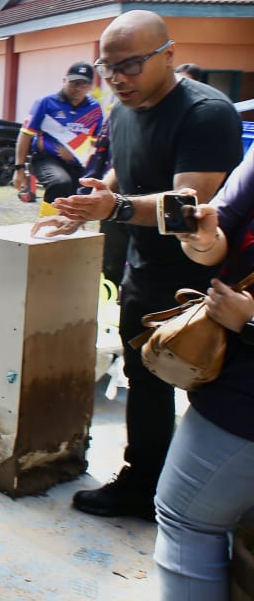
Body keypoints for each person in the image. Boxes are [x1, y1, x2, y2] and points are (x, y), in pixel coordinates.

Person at [32, 10, 243, 519]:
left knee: (211, 387)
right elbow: (118, 174)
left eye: (130, 65)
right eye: (108, 69)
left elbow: (190, 205)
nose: (117, 79)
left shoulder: (205, 113)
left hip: (206, 280)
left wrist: (118, 208)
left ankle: (212, 499)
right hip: (143, 268)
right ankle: (143, 480)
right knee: (143, 378)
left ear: (167, 55)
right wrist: (89, 203)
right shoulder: (121, 109)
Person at [154, 154, 254, 598]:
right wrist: (203, 236)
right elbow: (216, 235)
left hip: (244, 401)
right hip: (234, 368)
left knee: (186, 521)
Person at [12, 62, 104, 204]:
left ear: (91, 86)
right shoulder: (45, 103)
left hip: (76, 163)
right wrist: (19, 169)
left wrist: (80, 158)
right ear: (64, 81)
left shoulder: (95, 109)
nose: (78, 88)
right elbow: (25, 134)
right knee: (60, 183)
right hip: (45, 159)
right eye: (73, 82)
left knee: (80, 197)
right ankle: (48, 222)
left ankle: (67, 224)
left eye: (83, 84)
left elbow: (95, 142)